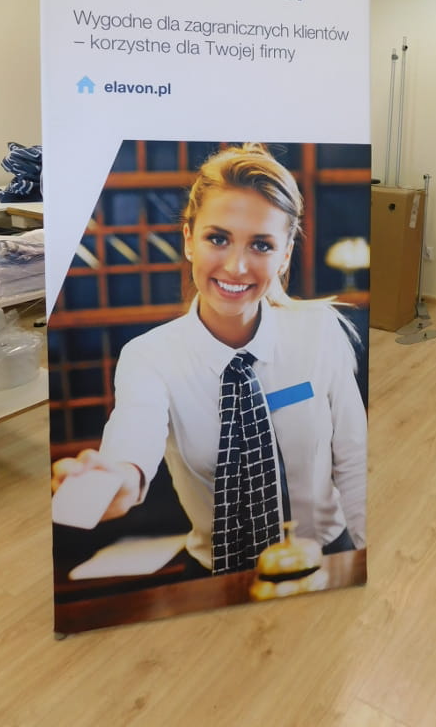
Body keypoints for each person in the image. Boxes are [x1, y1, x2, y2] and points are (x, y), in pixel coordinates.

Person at [52, 143, 367, 578]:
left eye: (261, 245)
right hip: (216, 574)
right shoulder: (149, 357)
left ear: (285, 255)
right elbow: (132, 443)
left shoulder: (320, 332)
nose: (236, 266)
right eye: (218, 239)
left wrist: (364, 561)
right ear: (188, 240)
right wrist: (115, 481)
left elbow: (353, 460)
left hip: (327, 558)